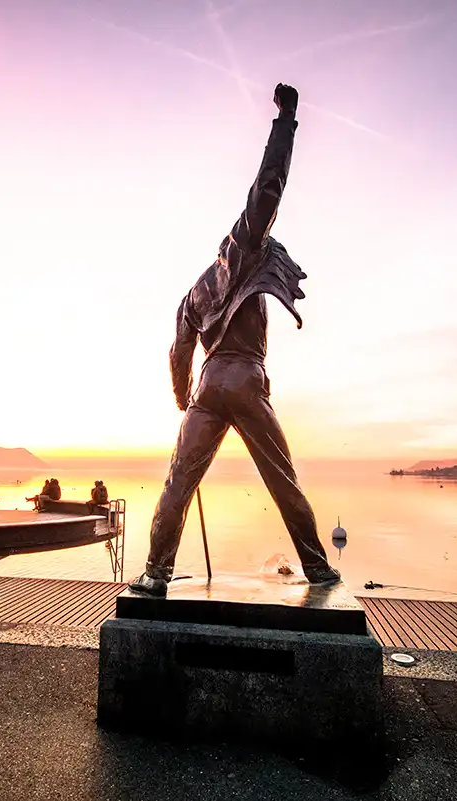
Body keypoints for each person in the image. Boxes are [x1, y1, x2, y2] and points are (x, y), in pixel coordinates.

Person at [128, 83, 340, 597]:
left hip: (205, 388)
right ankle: (318, 568)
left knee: (179, 482)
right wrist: (286, 121)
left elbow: (178, 352)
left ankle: (156, 573)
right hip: (245, 379)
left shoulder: (194, 294)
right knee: (281, 479)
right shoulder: (244, 249)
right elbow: (269, 185)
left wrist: (184, 399)